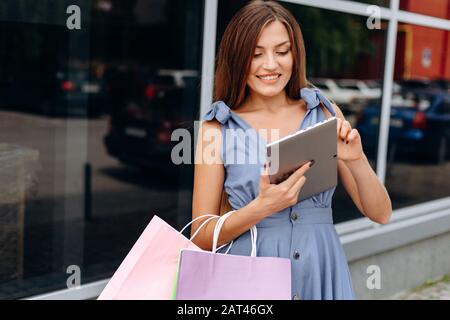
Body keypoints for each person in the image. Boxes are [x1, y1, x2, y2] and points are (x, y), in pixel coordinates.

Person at [191, 0, 392, 300]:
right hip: (252, 283)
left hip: (322, 272)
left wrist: (358, 159)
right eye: (256, 54)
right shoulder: (216, 129)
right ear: (237, 58)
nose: (271, 65)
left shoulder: (324, 113)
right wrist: (260, 208)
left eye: (282, 51)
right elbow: (200, 237)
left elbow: (381, 214)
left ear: (295, 54)